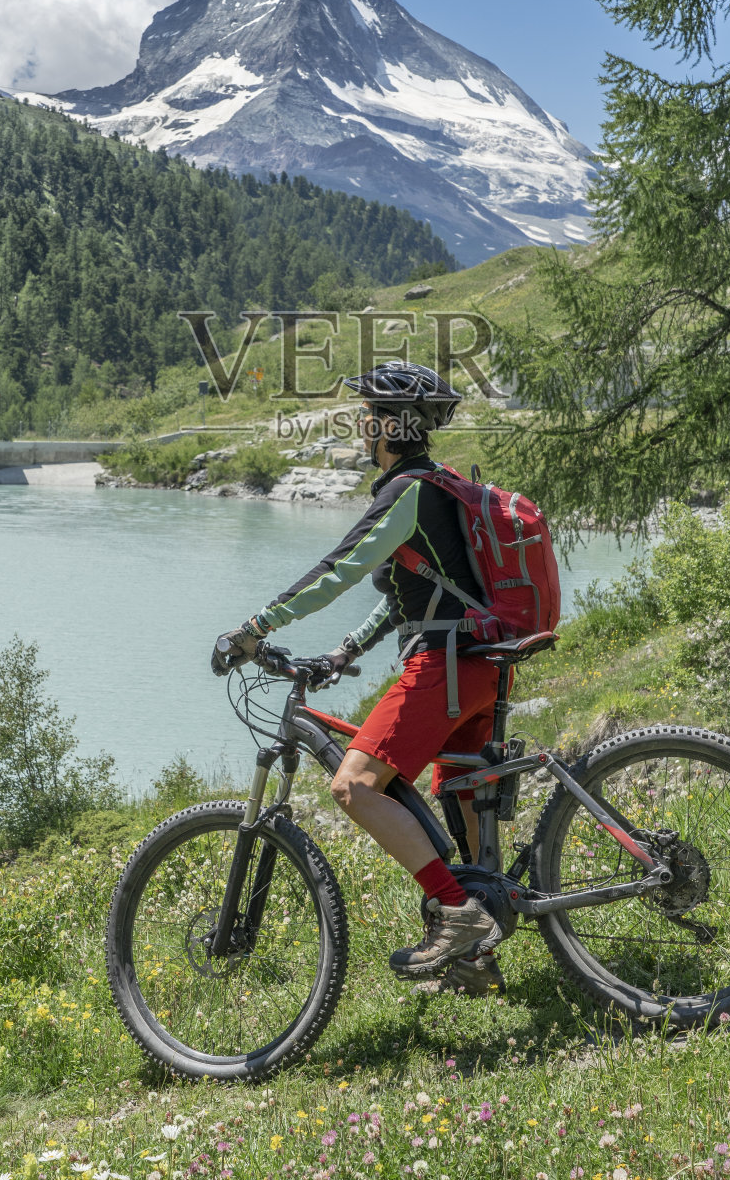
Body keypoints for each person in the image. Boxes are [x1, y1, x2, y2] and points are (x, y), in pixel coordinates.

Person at [212, 360, 508, 995]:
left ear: (391, 426)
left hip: (445, 668)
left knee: (354, 785)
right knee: (458, 792)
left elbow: (339, 569)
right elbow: (420, 590)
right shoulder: (436, 485)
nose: (362, 426)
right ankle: (477, 958)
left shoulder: (405, 492)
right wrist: (347, 650)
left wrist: (253, 629)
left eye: (369, 415)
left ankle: (457, 917)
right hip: (479, 667)